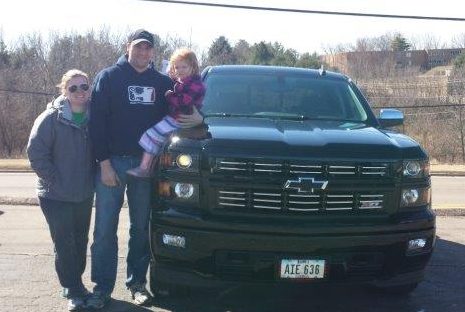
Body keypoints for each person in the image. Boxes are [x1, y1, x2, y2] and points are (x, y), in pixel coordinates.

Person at [87, 29, 203, 309]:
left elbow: (182, 114)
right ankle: (102, 287)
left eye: (147, 48)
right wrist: (103, 164)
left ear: (153, 52)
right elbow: (96, 124)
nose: (142, 53)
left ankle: (137, 283)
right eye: (138, 47)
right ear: (127, 47)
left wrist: (199, 117)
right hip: (112, 163)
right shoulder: (109, 77)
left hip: (147, 165)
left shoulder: (163, 82)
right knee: (104, 229)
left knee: (141, 227)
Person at [27, 69, 94, 311]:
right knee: (64, 243)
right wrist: (54, 179)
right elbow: (36, 153)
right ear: (64, 91)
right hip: (54, 195)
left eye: (83, 87)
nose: (79, 92)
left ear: (89, 89)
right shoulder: (49, 119)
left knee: (80, 241)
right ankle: (74, 291)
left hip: (84, 193)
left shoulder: (94, 117)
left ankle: (75, 284)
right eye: (73, 88)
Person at [127, 48, 206, 177]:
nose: (180, 70)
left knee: (151, 135)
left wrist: (169, 95)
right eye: (177, 67)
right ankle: (149, 167)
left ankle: (144, 167)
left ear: (193, 67)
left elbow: (183, 102)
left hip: (180, 119)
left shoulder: (195, 85)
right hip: (176, 118)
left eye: (184, 67)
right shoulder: (181, 82)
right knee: (156, 139)